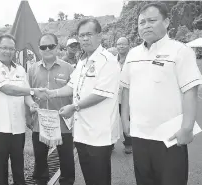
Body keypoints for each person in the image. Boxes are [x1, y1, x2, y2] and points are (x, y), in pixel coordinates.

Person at [120, 2, 202, 185]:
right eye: (142, 22)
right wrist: (125, 120)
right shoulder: (133, 55)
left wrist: (187, 128)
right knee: (144, 181)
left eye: (152, 20)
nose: (146, 25)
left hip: (170, 137)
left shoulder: (180, 51)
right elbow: (126, 88)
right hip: (139, 135)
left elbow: (190, 90)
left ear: (166, 22)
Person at [43, 18, 121, 185]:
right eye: (81, 35)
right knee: (89, 178)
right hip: (81, 132)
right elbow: (71, 86)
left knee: (100, 179)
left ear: (99, 36)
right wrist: (52, 93)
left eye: (89, 34)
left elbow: (101, 94)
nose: (84, 39)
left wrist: (74, 107)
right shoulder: (83, 61)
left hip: (99, 133)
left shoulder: (108, 61)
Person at [0, 34, 41, 185]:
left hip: (18, 126)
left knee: (18, 164)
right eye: (4, 48)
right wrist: (33, 91)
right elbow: (8, 89)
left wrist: (32, 104)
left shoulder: (20, 70)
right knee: (1, 165)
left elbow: (25, 93)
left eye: (11, 48)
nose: (7, 51)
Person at [27, 33, 75, 185]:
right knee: (40, 159)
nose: (47, 49)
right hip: (40, 124)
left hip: (62, 123)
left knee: (66, 159)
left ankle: (67, 182)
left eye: (51, 46)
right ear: (39, 50)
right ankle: (41, 181)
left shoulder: (69, 69)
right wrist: (29, 111)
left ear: (57, 47)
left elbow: (75, 93)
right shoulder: (32, 69)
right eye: (43, 47)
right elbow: (27, 93)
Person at [116, 37, 132, 154]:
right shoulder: (112, 60)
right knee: (111, 120)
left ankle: (129, 143)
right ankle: (109, 143)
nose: (121, 46)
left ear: (128, 45)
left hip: (128, 97)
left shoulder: (133, 59)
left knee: (128, 119)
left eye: (123, 44)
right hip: (114, 97)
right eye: (119, 44)